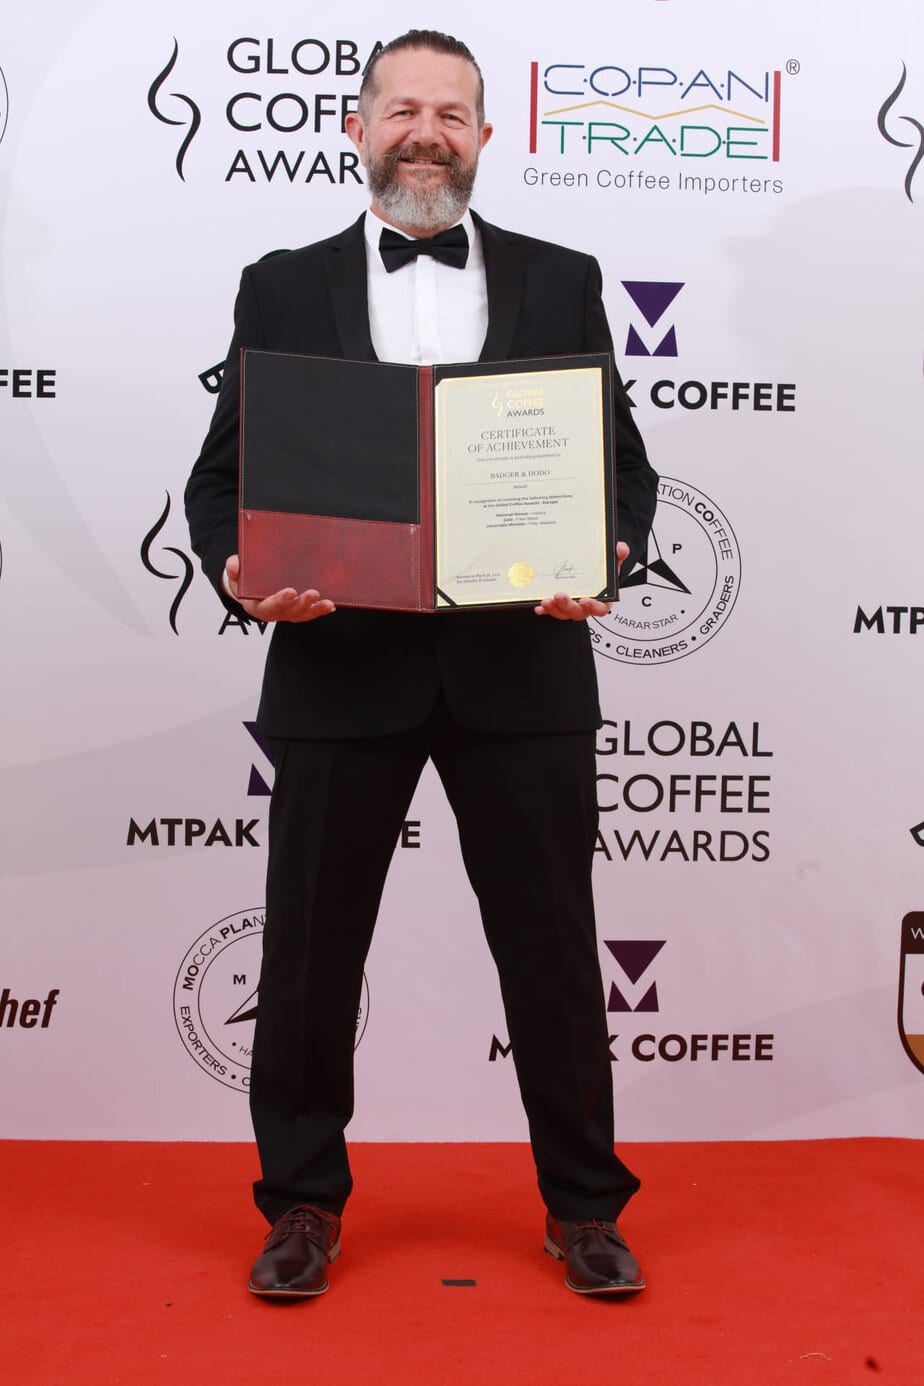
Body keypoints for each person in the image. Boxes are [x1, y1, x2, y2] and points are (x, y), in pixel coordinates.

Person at [185, 29, 658, 1299]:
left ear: (486, 136)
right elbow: (226, 477)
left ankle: (584, 1210)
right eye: (403, 109)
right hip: (340, 666)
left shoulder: (566, 277)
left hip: (525, 668)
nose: (426, 132)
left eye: (452, 112)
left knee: (555, 953)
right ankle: (299, 1207)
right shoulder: (279, 284)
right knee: (307, 956)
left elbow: (621, 465)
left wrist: (606, 549)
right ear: (358, 127)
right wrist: (241, 568)